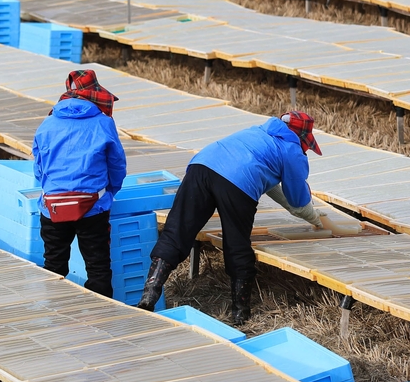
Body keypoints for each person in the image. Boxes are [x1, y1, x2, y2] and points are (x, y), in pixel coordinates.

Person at [137, 111, 324, 324]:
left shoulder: (257, 132)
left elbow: (270, 182)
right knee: (237, 243)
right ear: (303, 138)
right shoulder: (292, 149)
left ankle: (150, 293)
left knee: (177, 230)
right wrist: (315, 217)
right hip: (237, 182)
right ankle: (240, 314)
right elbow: (297, 199)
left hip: (202, 166)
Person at [32, 69, 126, 298]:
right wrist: (110, 192)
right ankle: (101, 318)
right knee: (98, 268)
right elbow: (117, 165)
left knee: (54, 267)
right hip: (92, 207)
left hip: (52, 207)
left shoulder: (48, 123)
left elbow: (38, 168)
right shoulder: (104, 123)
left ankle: (56, 313)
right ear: (96, 97)